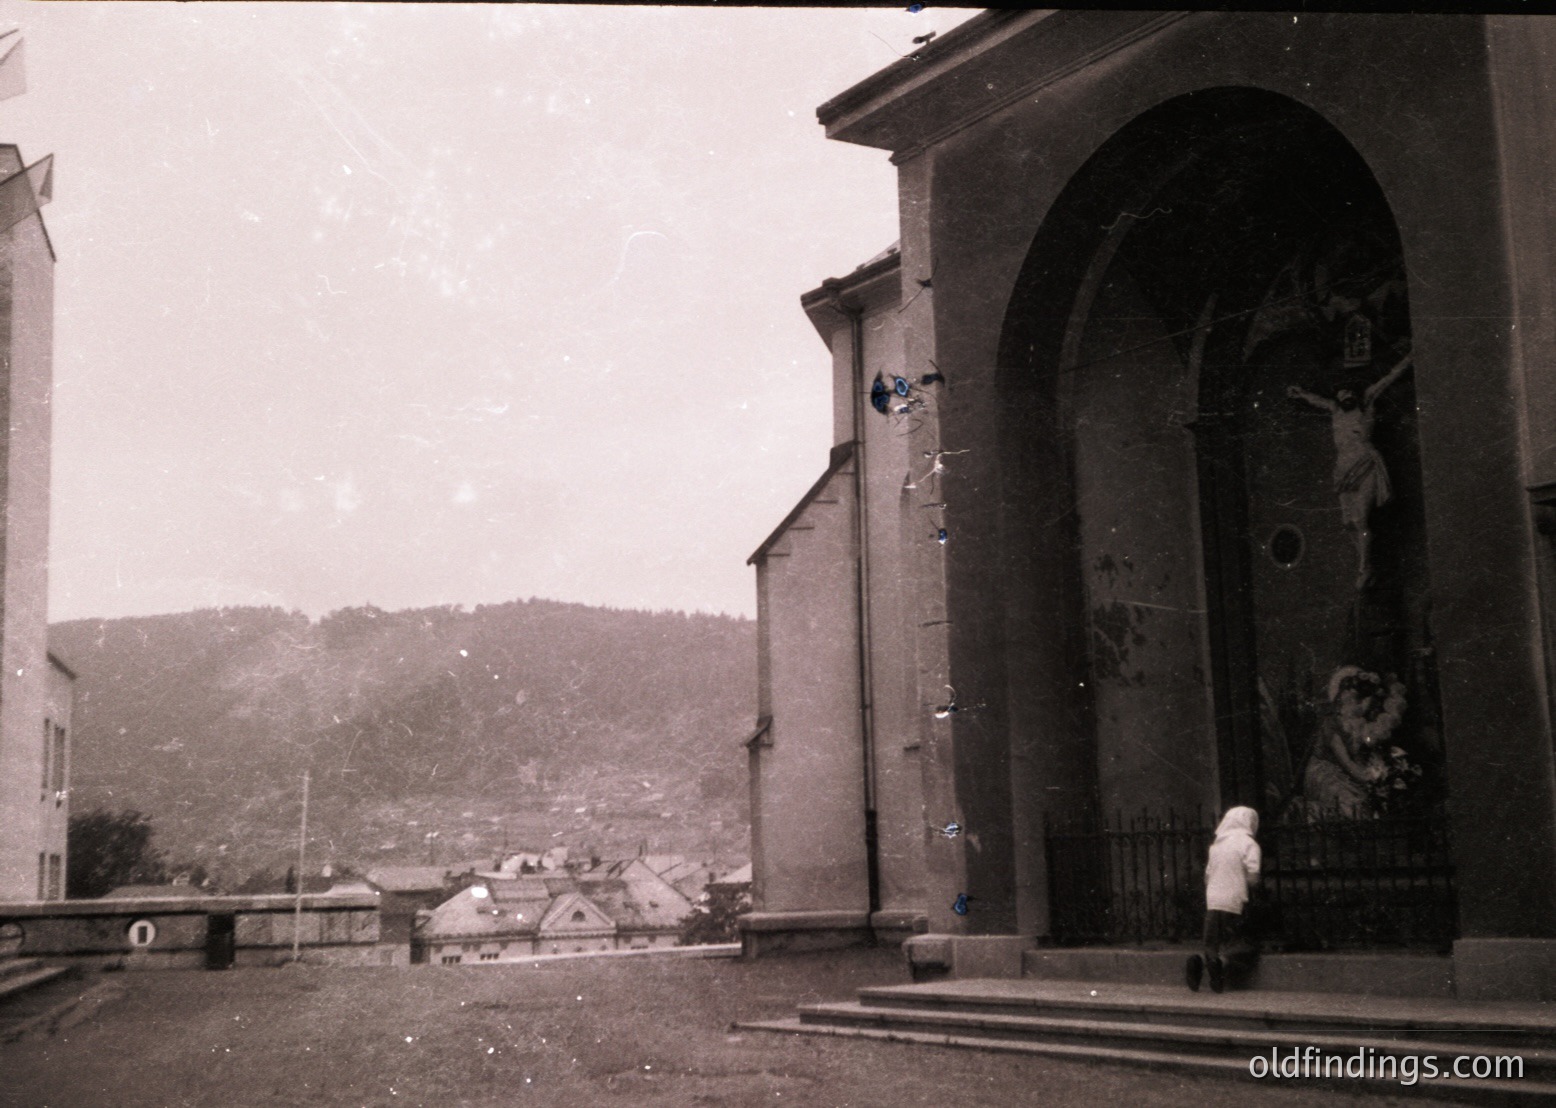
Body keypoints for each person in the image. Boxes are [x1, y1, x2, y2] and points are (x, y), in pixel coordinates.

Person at [1286, 350, 1412, 591]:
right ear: (1338, 396)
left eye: (1350, 392)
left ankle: (1364, 569)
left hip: (1364, 463)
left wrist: (1408, 359)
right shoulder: (1335, 410)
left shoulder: (1366, 402)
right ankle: (1366, 566)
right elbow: (1316, 400)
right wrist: (1301, 393)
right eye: (1343, 393)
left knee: (1361, 519)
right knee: (1348, 524)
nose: (1347, 395)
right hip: (1344, 469)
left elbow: (1388, 378)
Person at [1186, 806, 1262, 993]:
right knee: (1243, 942)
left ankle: (1202, 960)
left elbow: (1207, 877)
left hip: (1213, 901)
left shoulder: (1216, 846)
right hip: (1236, 900)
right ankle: (1221, 962)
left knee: (1212, 940)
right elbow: (1253, 878)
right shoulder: (1249, 844)